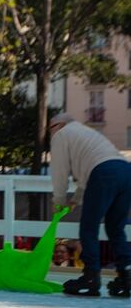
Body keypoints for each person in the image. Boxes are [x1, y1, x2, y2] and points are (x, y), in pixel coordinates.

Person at [49, 113, 131, 297]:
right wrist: (76, 200)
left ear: (59, 125)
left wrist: (59, 201)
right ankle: (126, 275)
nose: (50, 133)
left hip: (104, 172)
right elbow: (88, 174)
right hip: (126, 171)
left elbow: (59, 172)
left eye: (50, 128)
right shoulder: (85, 133)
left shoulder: (61, 135)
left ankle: (91, 277)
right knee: (116, 228)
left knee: (88, 228)